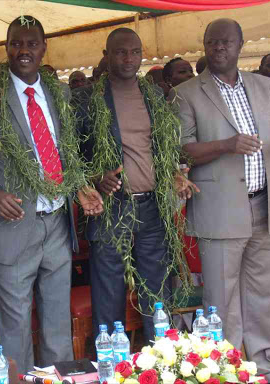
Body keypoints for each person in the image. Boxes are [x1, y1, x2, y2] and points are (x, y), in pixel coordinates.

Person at [0, 16, 102, 373]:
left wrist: (80, 187)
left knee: (56, 319)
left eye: (31, 44)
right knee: (16, 322)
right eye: (16, 43)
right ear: (6, 48)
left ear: (43, 47)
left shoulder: (59, 93)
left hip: (56, 224)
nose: (24, 51)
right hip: (12, 225)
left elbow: (65, 152)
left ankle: (58, 380)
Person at [174, 18, 270, 384]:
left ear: (241, 44)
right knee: (222, 297)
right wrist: (226, 145)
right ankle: (226, 368)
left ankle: (261, 364)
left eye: (226, 42)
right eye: (212, 42)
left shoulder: (263, 86)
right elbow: (181, 149)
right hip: (220, 208)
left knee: (261, 294)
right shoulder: (186, 93)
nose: (219, 48)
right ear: (205, 45)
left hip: (265, 203)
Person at [73, 28, 198, 343]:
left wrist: (174, 173)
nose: (128, 59)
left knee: (156, 291)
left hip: (152, 207)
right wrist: (93, 177)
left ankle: (160, 360)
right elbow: (70, 155)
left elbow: (163, 150)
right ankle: (113, 364)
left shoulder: (154, 95)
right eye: (120, 52)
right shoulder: (87, 99)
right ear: (107, 54)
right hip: (111, 206)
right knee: (108, 289)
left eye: (135, 52)